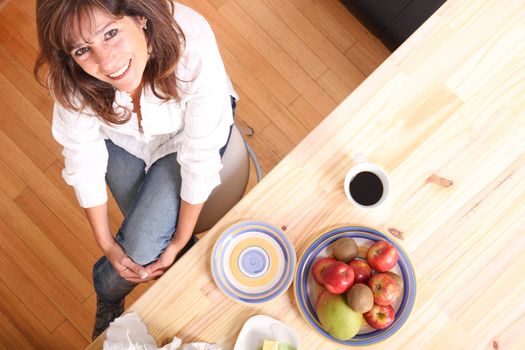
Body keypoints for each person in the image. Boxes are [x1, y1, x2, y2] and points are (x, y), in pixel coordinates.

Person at [34, 0, 236, 339]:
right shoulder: (71, 78)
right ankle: (175, 268)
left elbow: (199, 156)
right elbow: (83, 156)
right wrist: (105, 241)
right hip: (120, 137)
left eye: (110, 33)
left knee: (145, 247)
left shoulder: (192, 49)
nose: (105, 62)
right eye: (83, 50)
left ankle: (107, 291)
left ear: (140, 17)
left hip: (184, 135)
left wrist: (181, 239)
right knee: (142, 246)